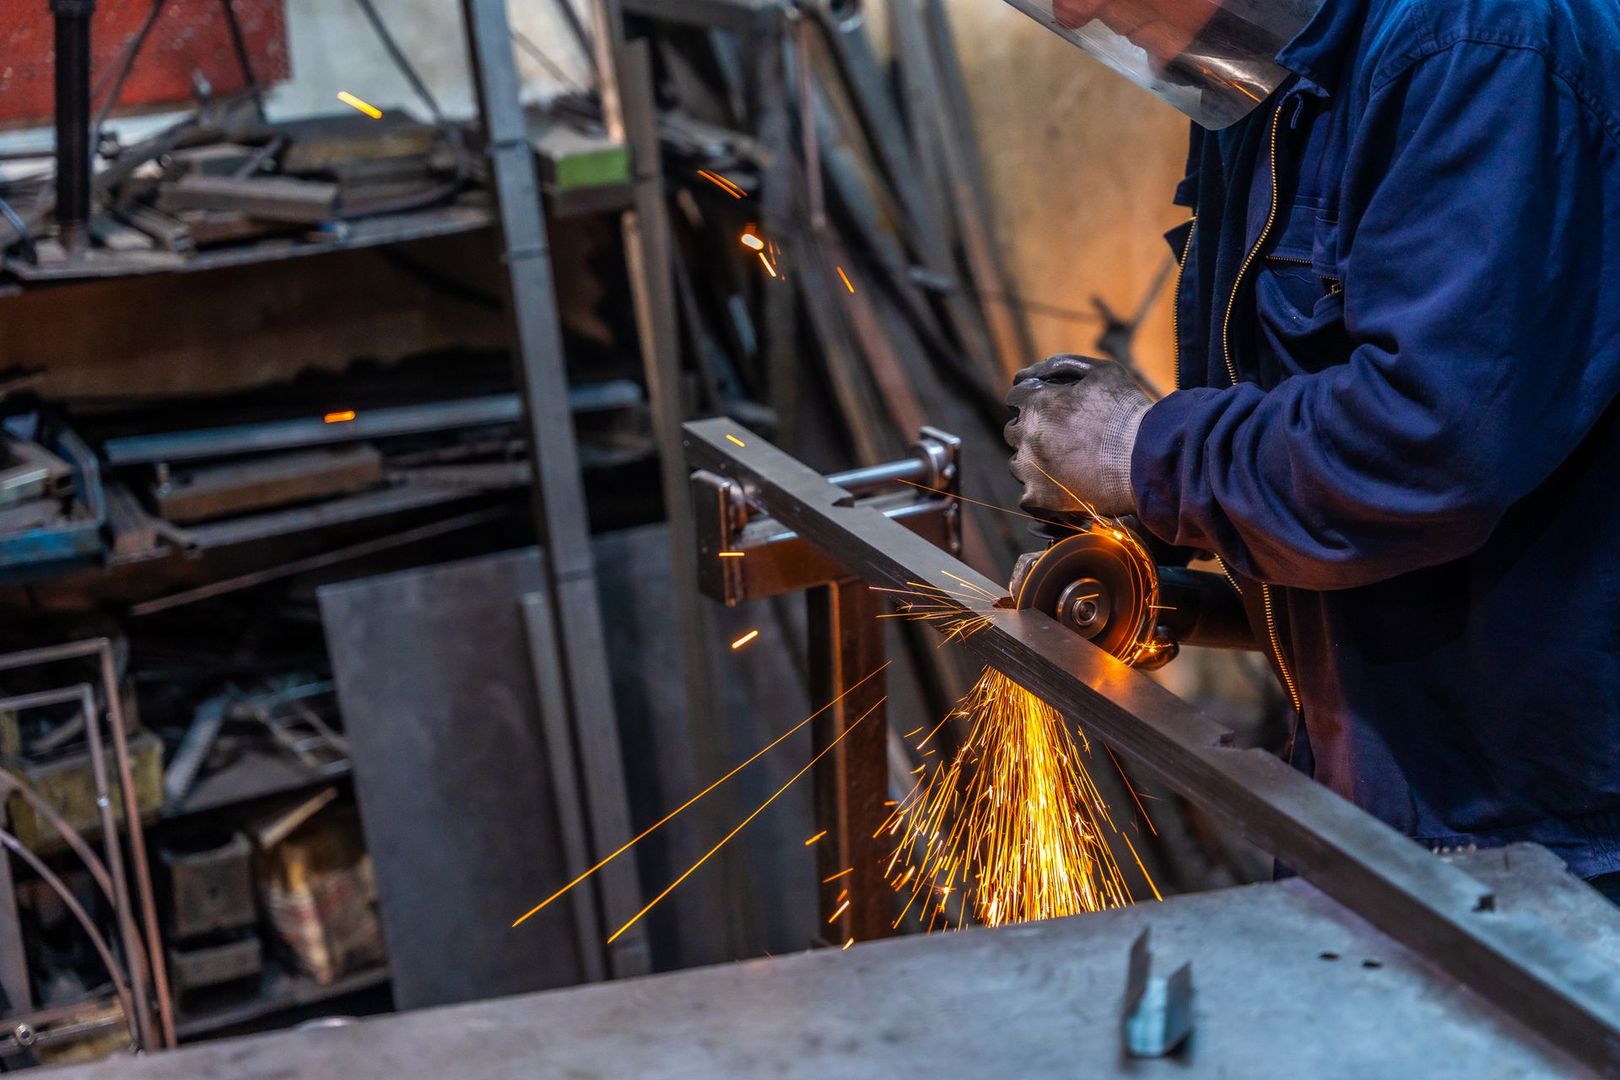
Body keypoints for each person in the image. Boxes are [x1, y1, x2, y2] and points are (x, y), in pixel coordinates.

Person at [1000, 0, 1620, 891]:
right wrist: (1161, 514)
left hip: (1545, 837)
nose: (1072, 8)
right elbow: (1288, 388)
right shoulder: (1269, 76)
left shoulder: (1487, 47)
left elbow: (1425, 446)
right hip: (1376, 781)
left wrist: (1147, 450)